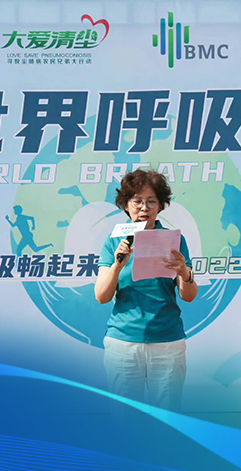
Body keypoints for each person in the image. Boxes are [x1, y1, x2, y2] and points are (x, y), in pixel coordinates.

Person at [95, 170, 198, 415]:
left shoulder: (174, 240)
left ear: (161, 206)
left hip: (167, 341)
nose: (144, 208)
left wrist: (184, 272)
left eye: (152, 201)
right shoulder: (114, 241)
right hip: (123, 342)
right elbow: (102, 296)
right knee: (124, 416)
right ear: (126, 205)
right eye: (137, 201)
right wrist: (117, 265)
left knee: (167, 416)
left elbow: (189, 295)